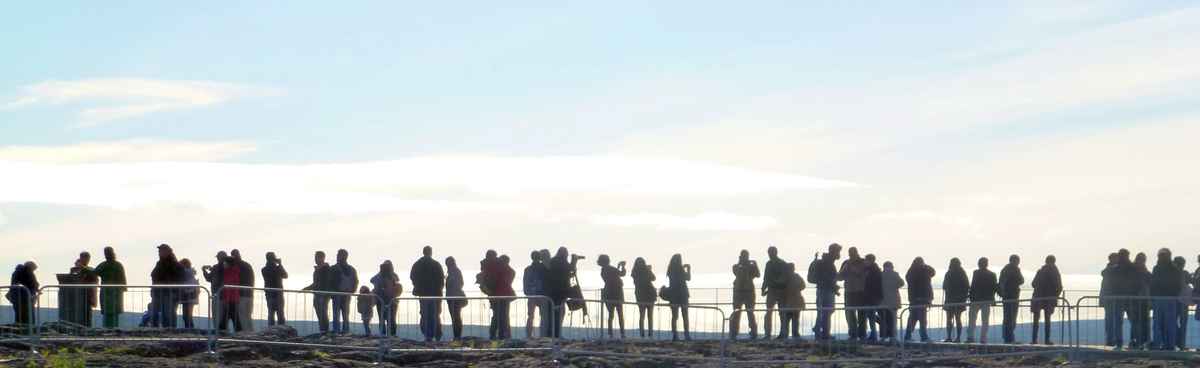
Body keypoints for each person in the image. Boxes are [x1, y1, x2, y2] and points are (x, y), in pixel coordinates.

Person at [1150, 248, 1183, 351]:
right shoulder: (1174, 268)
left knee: (1158, 323)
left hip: (1161, 298)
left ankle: (1158, 344)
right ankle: (1170, 344)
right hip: (1170, 298)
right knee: (1169, 323)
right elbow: (1178, 284)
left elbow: (1153, 284)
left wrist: (1152, 296)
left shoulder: (1157, 268)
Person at [411, 246, 445, 342]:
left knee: (425, 314)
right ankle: (436, 334)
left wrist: (418, 286)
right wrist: (439, 290)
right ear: (431, 252)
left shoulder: (417, 264)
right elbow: (441, 280)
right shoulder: (436, 264)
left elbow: (412, 276)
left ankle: (428, 335)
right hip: (435, 294)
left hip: (423, 294)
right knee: (435, 314)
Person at [807, 243, 841, 340]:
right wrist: (834, 287)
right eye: (838, 251)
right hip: (825, 290)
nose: (839, 254)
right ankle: (822, 331)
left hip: (824, 290)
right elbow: (827, 278)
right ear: (833, 251)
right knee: (826, 311)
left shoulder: (828, 262)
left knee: (824, 311)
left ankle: (821, 331)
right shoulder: (827, 263)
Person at [545, 247, 580, 338]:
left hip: (552, 291)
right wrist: (574, 261)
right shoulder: (564, 263)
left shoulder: (552, 261)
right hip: (562, 291)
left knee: (552, 312)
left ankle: (551, 333)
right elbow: (571, 271)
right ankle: (557, 333)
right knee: (560, 312)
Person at [838, 247, 869, 340]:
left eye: (852, 253)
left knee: (862, 314)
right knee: (850, 313)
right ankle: (853, 334)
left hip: (860, 291)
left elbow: (865, 275)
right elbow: (840, 277)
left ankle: (862, 334)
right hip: (849, 291)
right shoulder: (846, 263)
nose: (851, 255)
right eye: (850, 253)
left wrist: (852, 268)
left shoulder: (863, 263)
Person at [1030, 255, 1062, 345]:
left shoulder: (1040, 271)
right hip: (1049, 298)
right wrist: (1055, 296)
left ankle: (1034, 340)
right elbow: (1059, 286)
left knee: (1036, 319)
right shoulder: (1055, 271)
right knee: (1047, 319)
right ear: (1054, 261)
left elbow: (1033, 284)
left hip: (1037, 297)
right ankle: (1047, 340)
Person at [150, 244, 183, 328]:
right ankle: (155, 330)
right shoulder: (159, 263)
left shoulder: (174, 264)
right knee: (154, 313)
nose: (159, 252)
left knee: (168, 315)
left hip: (169, 292)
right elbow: (154, 275)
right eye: (159, 251)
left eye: (161, 250)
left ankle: (170, 331)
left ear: (168, 252)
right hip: (158, 292)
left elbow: (179, 277)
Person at [966, 257, 998, 344]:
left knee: (972, 320)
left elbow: (973, 286)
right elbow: (994, 287)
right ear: (987, 264)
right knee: (985, 320)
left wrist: (969, 296)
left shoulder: (976, 273)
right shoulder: (992, 274)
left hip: (975, 300)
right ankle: (983, 339)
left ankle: (970, 337)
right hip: (986, 300)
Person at [303, 251, 336, 334]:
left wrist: (309, 288)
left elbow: (321, 282)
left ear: (322, 258)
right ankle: (323, 330)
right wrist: (308, 288)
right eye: (315, 257)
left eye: (317, 257)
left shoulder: (326, 269)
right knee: (320, 312)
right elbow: (316, 283)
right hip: (317, 293)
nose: (315, 259)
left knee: (322, 312)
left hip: (323, 294)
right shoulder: (318, 269)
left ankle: (324, 330)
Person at [730, 249, 760, 340]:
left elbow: (758, 274)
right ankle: (733, 332)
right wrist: (740, 263)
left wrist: (755, 264)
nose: (744, 258)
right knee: (736, 312)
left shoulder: (751, 267)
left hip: (749, 292)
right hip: (738, 292)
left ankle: (753, 331)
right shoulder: (736, 266)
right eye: (743, 256)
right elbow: (735, 272)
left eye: (746, 256)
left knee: (750, 312)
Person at [94, 247, 127, 329]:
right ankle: (110, 329)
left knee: (112, 313)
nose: (106, 254)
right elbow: (94, 272)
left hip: (112, 292)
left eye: (107, 253)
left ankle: (110, 329)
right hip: (109, 292)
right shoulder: (107, 265)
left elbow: (123, 279)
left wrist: (83, 267)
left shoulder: (112, 265)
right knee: (109, 313)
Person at [904, 257, 935, 342]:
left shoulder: (910, 272)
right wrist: (925, 266)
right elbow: (933, 272)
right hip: (923, 298)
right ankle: (923, 336)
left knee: (912, 318)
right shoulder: (924, 271)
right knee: (922, 319)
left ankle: (908, 335)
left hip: (913, 299)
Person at [64, 252, 98, 327]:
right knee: (75, 314)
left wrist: (81, 267)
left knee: (87, 315)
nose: (86, 260)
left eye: (87, 258)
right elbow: (70, 278)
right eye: (83, 258)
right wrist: (75, 269)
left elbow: (94, 277)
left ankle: (87, 329)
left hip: (87, 295)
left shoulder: (91, 269)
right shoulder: (74, 269)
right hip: (75, 295)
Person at [761, 246, 787, 339]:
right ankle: (767, 334)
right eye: (769, 253)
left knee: (782, 313)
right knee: (769, 312)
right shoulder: (769, 264)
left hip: (780, 291)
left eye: (771, 252)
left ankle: (783, 333)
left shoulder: (782, 263)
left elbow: (785, 277)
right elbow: (766, 277)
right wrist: (763, 288)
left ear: (775, 252)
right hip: (771, 291)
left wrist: (777, 283)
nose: (770, 255)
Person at [599, 254, 627, 339]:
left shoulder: (603, 271)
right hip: (617, 294)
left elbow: (614, 275)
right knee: (620, 315)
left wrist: (618, 266)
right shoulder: (610, 269)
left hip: (608, 294)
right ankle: (622, 333)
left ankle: (610, 334)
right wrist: (623, 266)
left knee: (611, 315)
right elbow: (622, 274)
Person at [998, 254, 1024, 344]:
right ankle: (1010, 338)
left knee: (1006, 317)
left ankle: (1006, 337)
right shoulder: (1015, 269)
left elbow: (1000, 282)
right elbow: (1021, 280)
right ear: (1015, 261)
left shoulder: (1004, 269)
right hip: (1013, 296)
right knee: (1012, 317)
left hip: (1006, 296)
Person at [370, 260, 401, 337]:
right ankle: (392, 335)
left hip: (381, 300)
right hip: (391, 300)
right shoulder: (393, 276)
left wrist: (380, 273)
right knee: (391, 319)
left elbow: (372, 280)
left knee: (382, 318)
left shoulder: (381, 276)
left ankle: (383, 335)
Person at [941, 257, 969, 343]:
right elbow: (967, 286)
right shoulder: (962, 273)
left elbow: (944, 286)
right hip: (960, 300)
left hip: (949, 300)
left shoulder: (948, 273)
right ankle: (958, 338)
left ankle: (949, 337)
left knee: (949, 319)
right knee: (958, 319)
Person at [331, 249, 358, 335]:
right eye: (338, 255)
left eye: (339, 255)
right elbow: (330, 281)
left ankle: (341, 331)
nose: (337, 256)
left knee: (342, 314)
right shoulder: (349, 269)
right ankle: (340, 331)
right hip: (340, 293)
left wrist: (352, 291)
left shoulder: (335, 268)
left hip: (343, 293)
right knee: (340, 313)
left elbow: (355, 280)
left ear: (345, 256)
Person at [522, 251, 548, 339]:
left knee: (530, 316)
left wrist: (527, 292)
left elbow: (525, 283)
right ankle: (542, 335)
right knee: (543, 316)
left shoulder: (528, 269)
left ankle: (529, 335)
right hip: (542, 295)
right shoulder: (544, 268)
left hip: (532, 295)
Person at [666, 254, 692, 341]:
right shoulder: (680, 270)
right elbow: (688, 278)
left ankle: (675, 335)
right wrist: (688, 269)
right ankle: (686, 334)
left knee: (674, 316)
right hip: (683, 295)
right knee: (685, 316)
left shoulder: (670, 270)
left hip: (673, 296)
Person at [230, 249, 256, 333]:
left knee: (242, 316)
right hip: (250, 294)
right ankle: (251, 333)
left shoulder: (237, 266)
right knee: (248, 316)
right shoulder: (247, 265)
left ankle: (245, 335)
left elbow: (238, 279)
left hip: (241, 294)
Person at [631, 257, 657, 338]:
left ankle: (642, 334)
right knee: (650, 316)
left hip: (640, 295)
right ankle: (650, 333)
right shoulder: (646, 270)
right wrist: (649, 269)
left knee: (642, 315)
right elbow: (653, 278)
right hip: (649, 294)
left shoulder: (634, 272)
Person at [217, 254, 243, 333]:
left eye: (225, 262)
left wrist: (226, 300)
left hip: (231, 299)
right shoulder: (230, 271)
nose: (223, 264)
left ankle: (223, 331)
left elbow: (228, 286)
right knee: (232, 317)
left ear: (228, 263)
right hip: (232, 298)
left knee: (231, 318)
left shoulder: (232, 272)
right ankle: (237, 332)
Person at [202, 251, 228, 328]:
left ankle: (219, 332)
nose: (217, 259)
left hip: (219, 294)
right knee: (221, 316)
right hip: (221, 295)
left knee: (218, 315)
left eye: (218, 257)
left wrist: (205, 270)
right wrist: (206, 271)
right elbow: (209, 278)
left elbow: (209, 278)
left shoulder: (217, 267)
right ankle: (221, 331)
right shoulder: (222, 267)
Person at [7, 261, 39, 326]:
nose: (33, 271)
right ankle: (28, 331)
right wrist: (36, 289)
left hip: (17, 296)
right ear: (31, 267)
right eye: (33, 269)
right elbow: (33, 283)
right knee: (28, 315)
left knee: (19, 314)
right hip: (25, 297)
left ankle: (20, 329)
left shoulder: (17, 272)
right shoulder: (27, 272)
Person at [262, 252, 288, 326]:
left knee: (271, 313)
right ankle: (282, 329)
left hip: (269, 294)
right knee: (280, 314)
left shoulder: (264, 269)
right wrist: (280, 264)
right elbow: (285, 275)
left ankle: (270, 330)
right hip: (278, 294)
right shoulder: (277, 268)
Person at [780, 263, 806, 339]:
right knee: (789, 319)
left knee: (791, 319)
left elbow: (803, 286)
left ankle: (792, 334)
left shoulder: (793, 277)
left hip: (793, 301)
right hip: (790, 301)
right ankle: (790, 334)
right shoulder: (790, 277)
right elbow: (803, 286)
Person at [880, 261, 904, 343]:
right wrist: (895, 287)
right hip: (894, 300)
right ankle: (893, 336)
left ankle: (883, 336)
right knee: (893, 320)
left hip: (883, 301)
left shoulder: (880, 275)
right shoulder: (895, 274)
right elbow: (901, 283)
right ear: (891, 266)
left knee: (884, 320)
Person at [1133, 252, 1152, 349]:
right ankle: (1139, 341)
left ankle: (1141, 341)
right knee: (1138, 322)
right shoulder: (1144, 272)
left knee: (1141, 322)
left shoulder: (1135, 271)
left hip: (1142, 300)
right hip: (1138, 300)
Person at [1099, 252, 1119, 347]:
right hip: (1111, 298)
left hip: (1109, 298)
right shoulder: (1111, 271)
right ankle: (1111, 339)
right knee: (1112, 320)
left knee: (1111, 320)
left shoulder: (1106, 271)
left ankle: (1111, 339)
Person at [863, 254, 883, 342]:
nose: (865, 262)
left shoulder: (874, 271)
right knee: (870, 315)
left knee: (870, 315)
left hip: (873, 297)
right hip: (871, 297)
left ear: (870, 261)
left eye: (866, 260)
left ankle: (874, 334)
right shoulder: (872, 270)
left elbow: (873, 285)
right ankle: (874, 333)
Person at [444, 257, 465, 340]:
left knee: (456, 317)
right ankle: (457, 335)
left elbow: (459, 284)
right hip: (453, 297)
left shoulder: (454, 271)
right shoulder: (454, 271)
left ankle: (457, 336)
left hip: (454, 298)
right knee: (455, 317)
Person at [1173, 256, 1191, 350]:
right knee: (1182, 323)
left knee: (1172, 322)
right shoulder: (1184, 273)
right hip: (1182, 301)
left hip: (1177, 301)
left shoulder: (1173, 273)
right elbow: (1190, 282)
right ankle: (1181, 343)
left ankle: (1178, 342)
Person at [179, 258, 200, 329]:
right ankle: (190, 328)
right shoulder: (191, 273)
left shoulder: (186, 272)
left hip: (189, 296)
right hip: (190, 296)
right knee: (188, 315)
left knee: (186, 315)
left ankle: (190, 329)